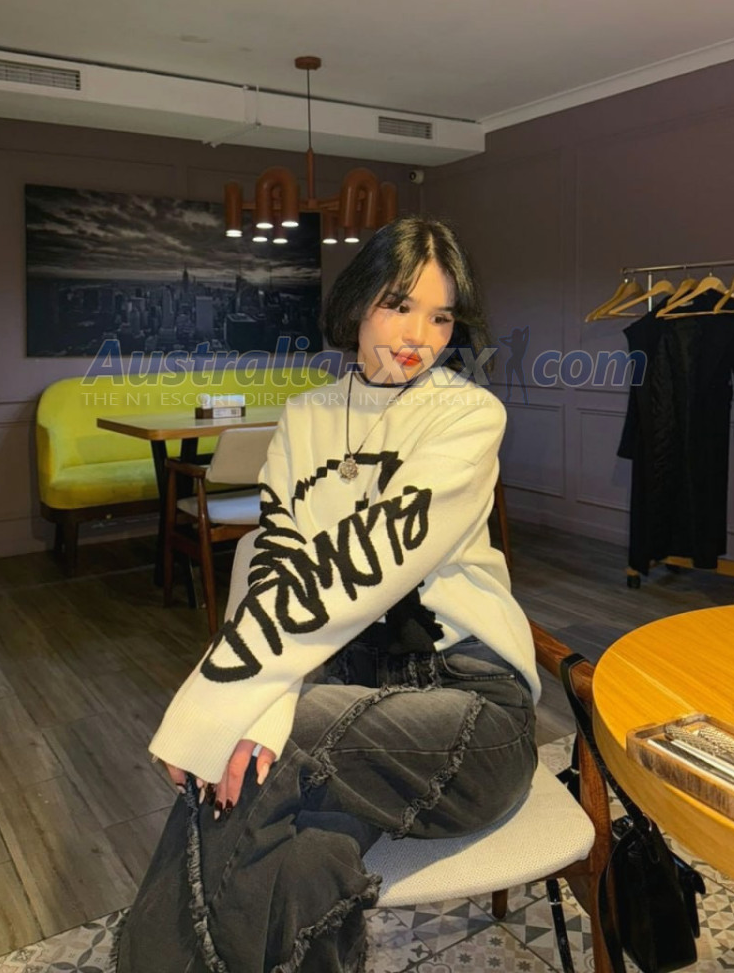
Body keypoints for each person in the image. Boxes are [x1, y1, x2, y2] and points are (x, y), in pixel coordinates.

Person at [114, 217, 540, 973]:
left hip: (472, 711)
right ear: (358, 302)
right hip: (354, 696)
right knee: (304, 856)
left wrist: (225, 694)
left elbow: (373, 555)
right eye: (399, 305)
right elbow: (273, 559)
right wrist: (260, 697)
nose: (419, 336)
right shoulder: (306, 417)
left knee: (266, 743)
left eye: (441, 317)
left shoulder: (469, 415)